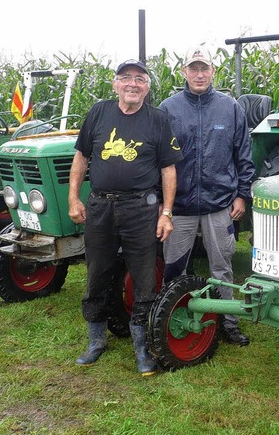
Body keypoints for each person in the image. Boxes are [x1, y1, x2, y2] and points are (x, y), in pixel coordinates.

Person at [68, 59, 182, 376]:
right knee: (97, 273)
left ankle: (142, 349)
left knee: (144, 277)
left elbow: (168, 169)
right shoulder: (98, 113)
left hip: (141, 209)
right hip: (100, 207)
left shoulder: (158, 120)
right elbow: (81, 157)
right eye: (126, 77)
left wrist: (167, 213)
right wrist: (73, 197)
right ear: (115, 83)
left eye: (140, 79)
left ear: (147, 87)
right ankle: (96, 342)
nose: (133, 83)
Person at [159, 45, 255, 346]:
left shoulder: (230, 107)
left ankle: (228, 322)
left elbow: (244, 155)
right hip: (181, 206)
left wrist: (242, 196)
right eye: (193, 68)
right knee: (174, 267)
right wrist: (163, 203)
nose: (199, 74)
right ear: (185, 72)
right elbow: (157, 159)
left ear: (213, 71)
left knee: (222, 267)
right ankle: (175, 319)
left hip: (219, 205)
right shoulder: (168, 109)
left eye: (204, 68)